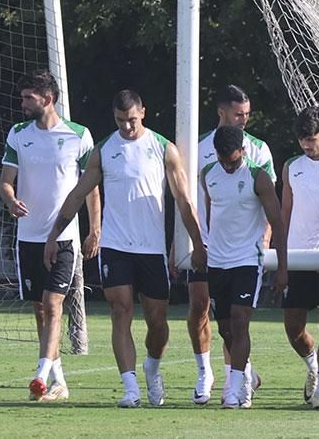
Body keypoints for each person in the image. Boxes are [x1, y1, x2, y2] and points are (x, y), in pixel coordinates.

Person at [47, 90, 201, 408]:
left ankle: (152, 369)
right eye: (120, 121)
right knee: (121, 311)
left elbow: (184, 201)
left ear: (143, 112)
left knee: (157, 321)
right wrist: (53, 235)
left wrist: (198, 243)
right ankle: (130, 388)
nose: (127, 128)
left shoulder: (163, 149)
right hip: (115, 247)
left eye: (131, 120)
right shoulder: (104, 151)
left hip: (151, 249)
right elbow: (78, 194)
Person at [0, 70, 102, 401]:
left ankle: (40, 375)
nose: (22, 102)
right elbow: (5, 181)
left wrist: (94, 228)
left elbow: (91, 188)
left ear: (48, 98)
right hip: (28, 237)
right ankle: (59, 381)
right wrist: (10, 199)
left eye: (28, 97)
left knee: (54, 303)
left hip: (64, 238)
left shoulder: (78, 135)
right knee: (40, 310)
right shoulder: (18, 134)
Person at [187, 85, 275, 403]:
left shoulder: (258, 152)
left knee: (239, 320)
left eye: (247, 114)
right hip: (211, 250)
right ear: (221, 112)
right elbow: (195, 202)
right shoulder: (200, 154)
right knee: (207, 312)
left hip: (246, 253)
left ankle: (234, 386)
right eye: (239, 114)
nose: (244, 120)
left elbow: (269, 208)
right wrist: (192, 242)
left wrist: (265, 244)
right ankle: (219, 373)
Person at [201, 125, 288, 409]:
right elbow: (213, 216)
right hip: (217, 262)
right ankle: (248, 374)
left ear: (243, 151)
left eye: (233, 159)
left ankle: (237, 390)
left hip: (246, 260)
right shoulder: (208, 175)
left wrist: (282, 267)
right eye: (223, 159)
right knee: (226, 329)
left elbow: (277, 222)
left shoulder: (258, 177)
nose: (228, 165)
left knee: (240, 320)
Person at [280, 106, 319, 409]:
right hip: (296, 255)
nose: (306, 145)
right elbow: (285, 211)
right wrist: (281, 256)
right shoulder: (292, 166)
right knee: (293, 328)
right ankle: (313, 364)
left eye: (312, 139)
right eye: (302, 139)